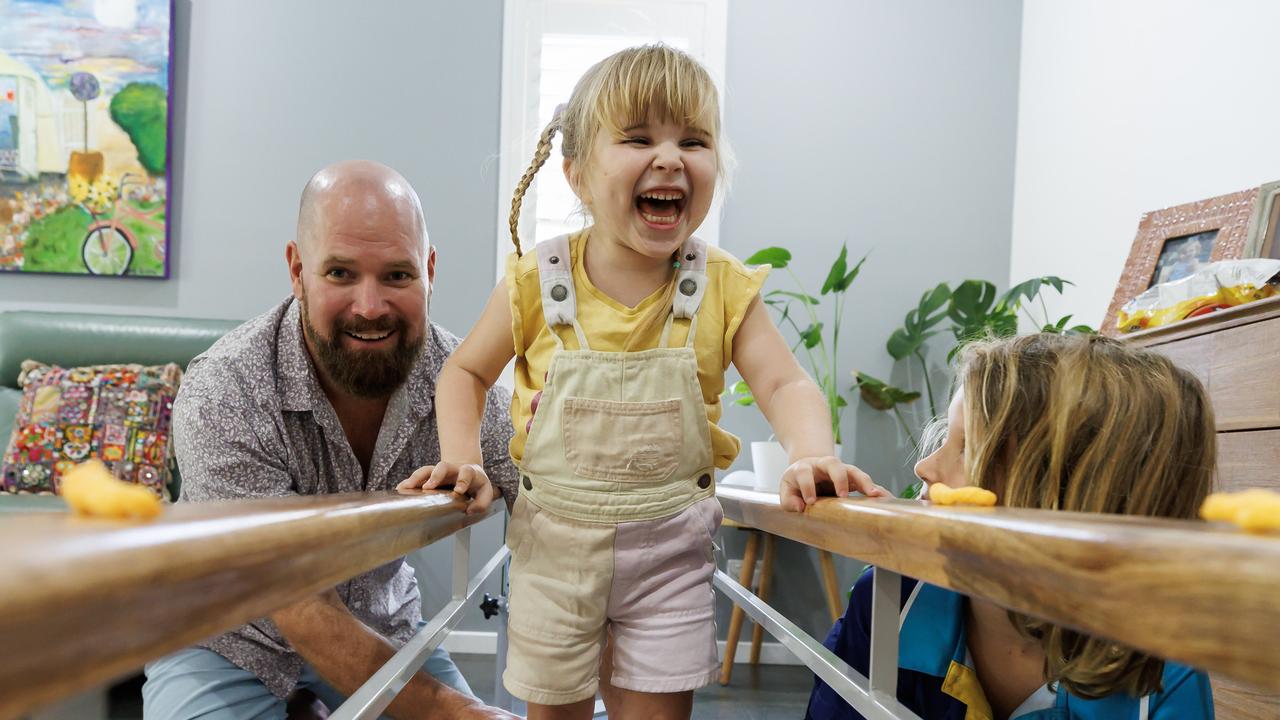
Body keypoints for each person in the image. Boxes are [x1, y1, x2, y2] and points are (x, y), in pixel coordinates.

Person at [397, 44, 889, 720]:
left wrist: (811, 454)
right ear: (575, 173)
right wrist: (461, 460)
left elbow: (784, 384)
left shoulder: (718, 284)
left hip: (670, 563)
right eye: (638, 139)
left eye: (694, 140)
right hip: (554, 556)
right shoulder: (539, 280)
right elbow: (465, 372)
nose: (669, 157)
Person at [142, 160, 520, 720]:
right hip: (224, 637)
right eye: (340, 273)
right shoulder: (225, 389)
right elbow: (292, 598)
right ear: (297, 271)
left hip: (382, 624)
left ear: (430, 271)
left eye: (397, 275)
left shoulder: (459, 378)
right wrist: (461, 713)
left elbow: (546, 495)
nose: (370, 307)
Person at [807, 333, 1217, 720]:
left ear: (1067, 492)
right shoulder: (891, 600)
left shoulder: (1161, 672)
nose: (924, 467)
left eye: (968, 448)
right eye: (943, 442)